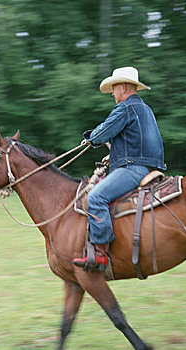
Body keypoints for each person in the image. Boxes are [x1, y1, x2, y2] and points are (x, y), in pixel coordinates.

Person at [72, 66, 166, 271]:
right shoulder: (145, 109)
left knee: (95, 198)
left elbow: (102, 133)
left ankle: (99, 254)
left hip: (133, 169)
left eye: (114, 89)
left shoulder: (125, 108)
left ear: (123, 87)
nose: (113, 94)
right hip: (147, 167)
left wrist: (90, 138)